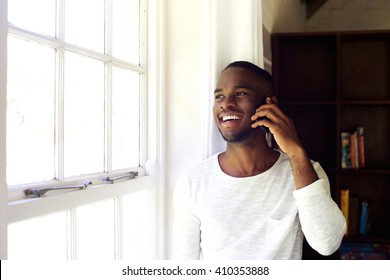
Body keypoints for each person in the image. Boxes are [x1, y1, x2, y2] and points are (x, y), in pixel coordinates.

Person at [172, 61, 346, 260]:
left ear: (268, 104)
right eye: (219, 96)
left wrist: (296, 152)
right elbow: (184, 263)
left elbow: (328, 244)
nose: (225, 103)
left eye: (240, 93)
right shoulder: (192, 182)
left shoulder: (305, 171)